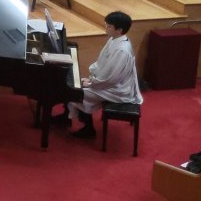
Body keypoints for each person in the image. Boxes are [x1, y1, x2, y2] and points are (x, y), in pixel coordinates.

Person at [59, 11, 143, 139]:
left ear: (119, 30)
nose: (106, 28)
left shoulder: (121, 50)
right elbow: (102, 64)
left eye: (109, 26)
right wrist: (91, 80)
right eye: (106, 25)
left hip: (117, 90)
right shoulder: (114, 39)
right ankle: (66, 118)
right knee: (76, 84)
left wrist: (92, 83)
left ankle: (88, 129)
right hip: (107, 83)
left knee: (77, 92)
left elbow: (112, 78)